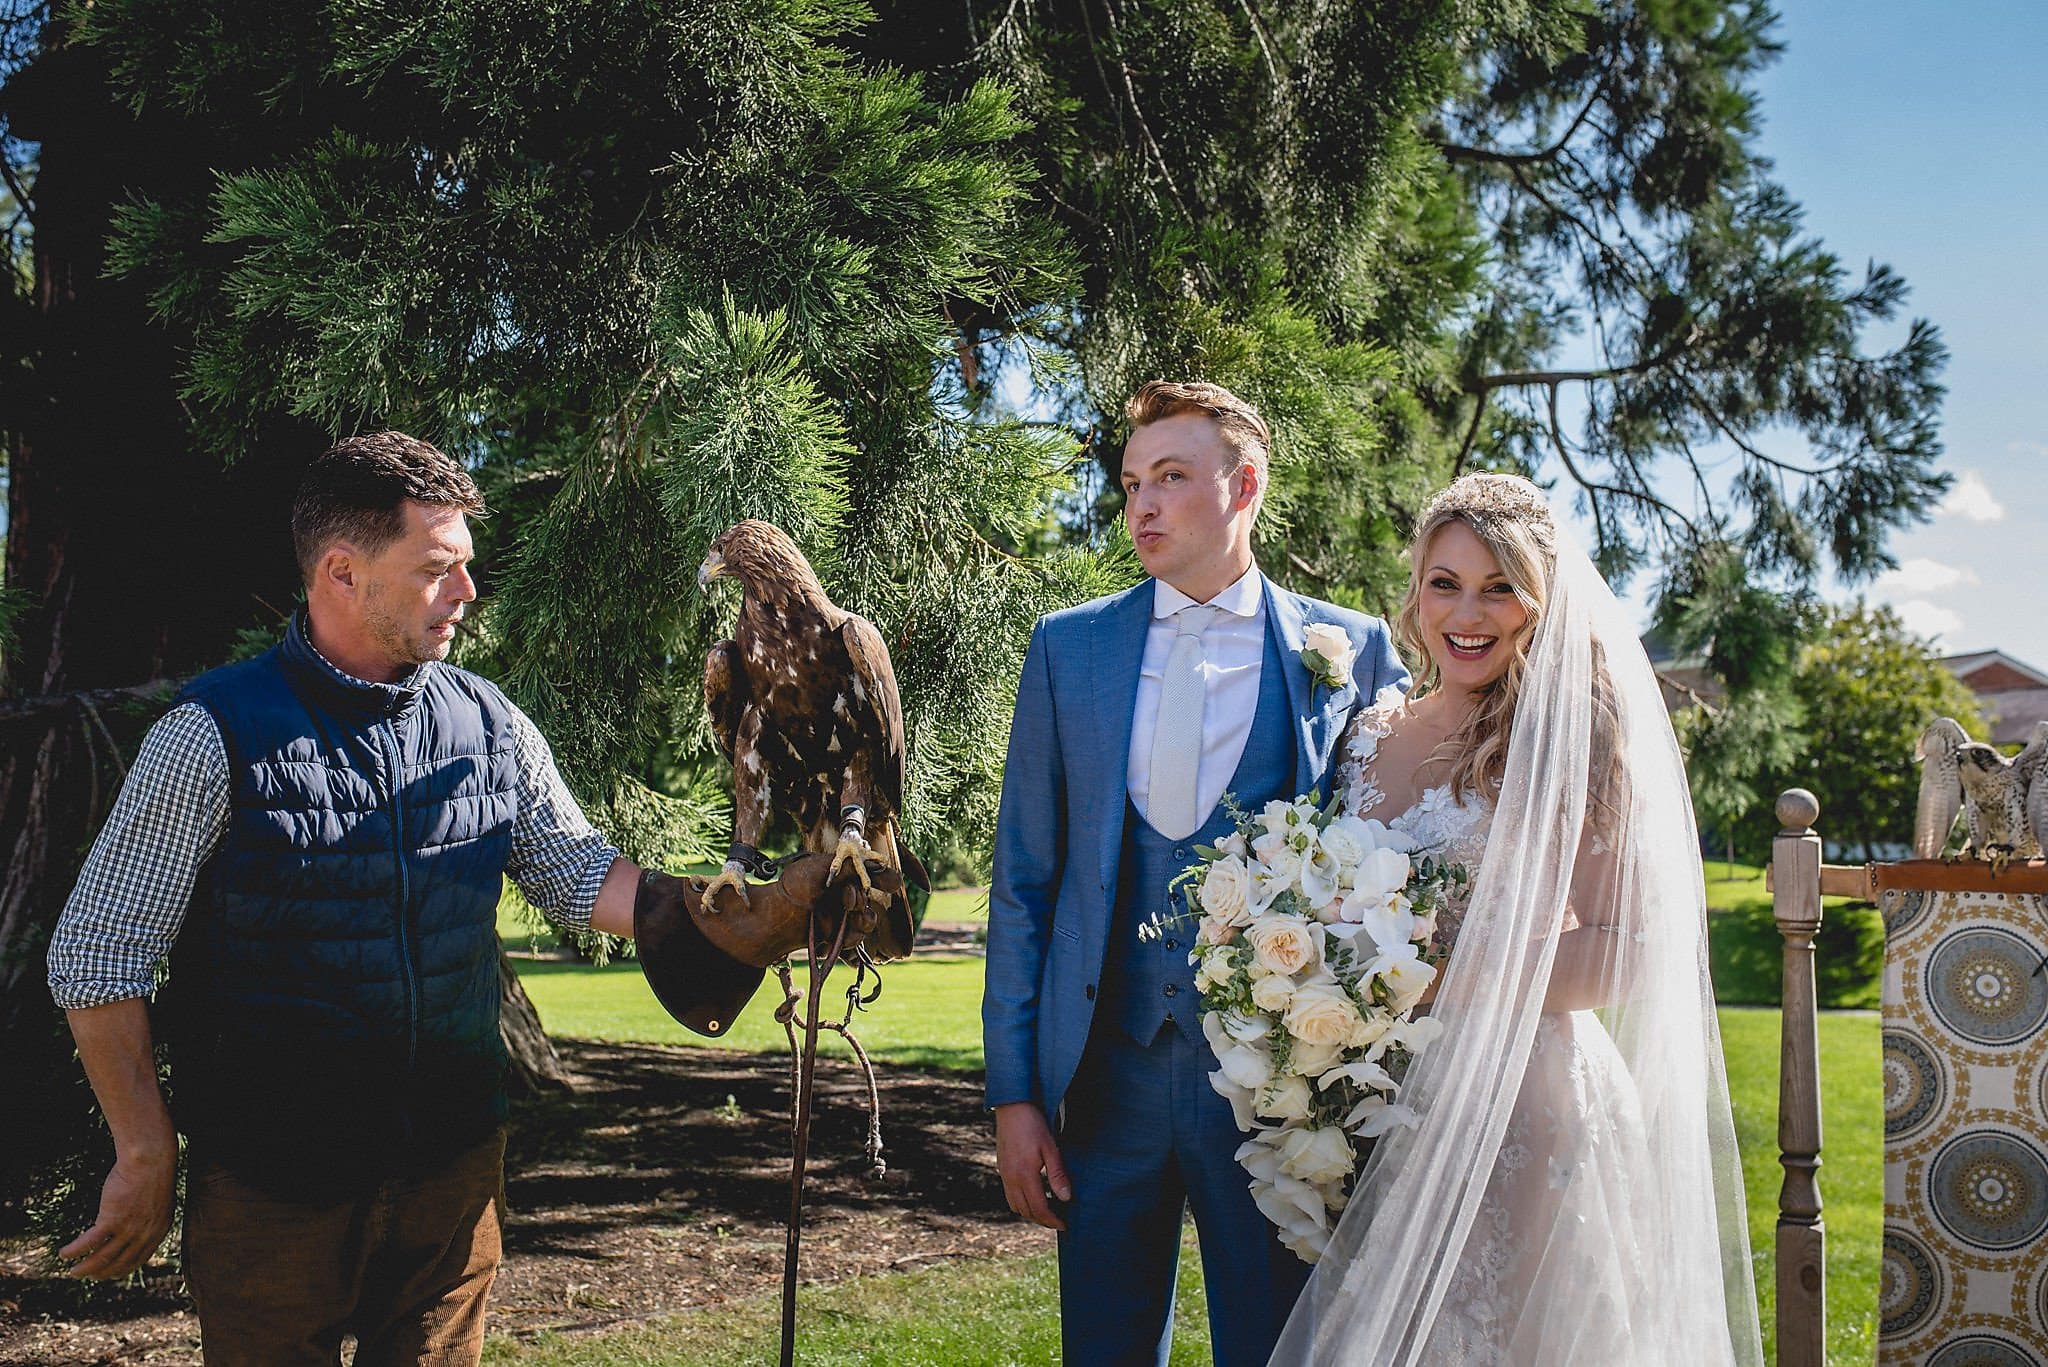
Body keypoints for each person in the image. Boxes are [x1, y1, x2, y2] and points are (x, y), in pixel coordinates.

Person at [44, 431, 843, 1366]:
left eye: (466, 565)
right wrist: (144, 1150)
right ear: (342, 571)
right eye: (437, 569)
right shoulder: (208, 735)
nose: (467, 592)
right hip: (272, 1189)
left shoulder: (490, 721)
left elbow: (580, 873)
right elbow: (98, 952)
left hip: (452, 1182)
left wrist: (734, 913)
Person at [1271, 473, 1763, 1364]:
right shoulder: (1370, 732)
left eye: (1500, 586)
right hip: (1379, 1102)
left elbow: (1631, 949)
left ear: (1543, 601)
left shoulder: (1578, 736)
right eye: (1446, 582)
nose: (1470, 611)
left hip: (1523, 1104)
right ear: (1415, 594)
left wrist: (1442, 983)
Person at [982, 381, 1409, 1366]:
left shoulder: (1346, 651)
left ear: (1243, 484)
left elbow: (1383, 871)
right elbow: (1024, 883)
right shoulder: (1067, 647)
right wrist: (1013, 1096)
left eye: (1169, 477)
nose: (1140, 503)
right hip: (1102, 1081)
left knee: (1274, 1345)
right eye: (1130, 481)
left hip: (1276, 1092)